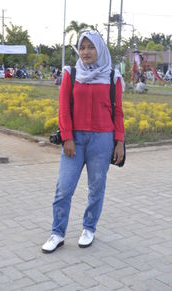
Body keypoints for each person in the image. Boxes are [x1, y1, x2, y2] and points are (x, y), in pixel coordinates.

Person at [42, 30, 125, 253]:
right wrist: (67, 137)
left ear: (99, 49)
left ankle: (89, 228)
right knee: (63, 188)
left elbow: (118, 112)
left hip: (102, 140)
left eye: (91, 47)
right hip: (74, 141)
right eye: (82, 47)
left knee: (96, 188)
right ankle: (57, 233)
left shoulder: (112, 76)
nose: (86, 52)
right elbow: (63, 108)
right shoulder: (71, 73)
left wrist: (119, 142)